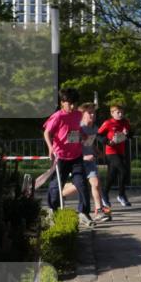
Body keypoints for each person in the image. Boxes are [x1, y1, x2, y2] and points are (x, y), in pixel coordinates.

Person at [43, 88, 93, 227]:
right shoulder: (58, 116)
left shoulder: (78, 114)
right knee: (56, 185)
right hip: (61, 157)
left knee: (82, 184)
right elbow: (47, 133)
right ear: (62, 103)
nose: (73, 107)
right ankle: (52, 210)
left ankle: (83, 212)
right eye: (69, 104)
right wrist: (50, 147)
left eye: (75, 104)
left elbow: (77, 128)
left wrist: (83, 134)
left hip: (76, 156)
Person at [75, 102, 111, 223]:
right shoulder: (77, 128)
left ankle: (99, 211)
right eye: (89, 113)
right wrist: (84, 157)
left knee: (95, 183)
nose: (92, 115)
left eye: (94, 113)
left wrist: (97, 151)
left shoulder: (94, 128)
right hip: (78, 162)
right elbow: (71, 148)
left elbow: (89, 143)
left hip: (90, 162)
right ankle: (59, 193)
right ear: (82, 114)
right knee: (77, 186)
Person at [98, 103, 132, 208]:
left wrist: (127, 134)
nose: (120, 114)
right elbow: (98, 135)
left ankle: (104, 194)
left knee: (111, 176)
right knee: (123, 170)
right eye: (118, 112)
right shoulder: (108, 123)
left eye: (122, 112)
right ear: (112, 113)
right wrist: (108, 142)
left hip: (121, 152)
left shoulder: (125, 122)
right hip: (111, 152)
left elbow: (131, 134)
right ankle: (121, 195)